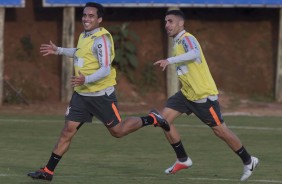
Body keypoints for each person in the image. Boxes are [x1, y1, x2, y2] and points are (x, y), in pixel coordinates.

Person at [27, 2, 170, 181]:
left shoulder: (102, 40)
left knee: (118, 131)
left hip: (101, 95)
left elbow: (105, 69)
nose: (86, 18)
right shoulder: (84, 35)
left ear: (99, 19)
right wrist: (59, 50)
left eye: (91, 16)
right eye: (85, 15)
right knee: (67, 131)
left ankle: (152, 119)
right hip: (81, 95)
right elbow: (80, 53)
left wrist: (86, 78)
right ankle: (48, 171)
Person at [153, 9, 259, 181]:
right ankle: (183, 159)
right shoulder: (177, 42)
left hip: (202, 96)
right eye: (165, 22)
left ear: (181, 23)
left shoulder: (187, 38)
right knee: (162, 120)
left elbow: (194, 53)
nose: (167, 25)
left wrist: (169, 60)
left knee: (220, 131)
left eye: (170, 21)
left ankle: (249, 161)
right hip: (186, 94)